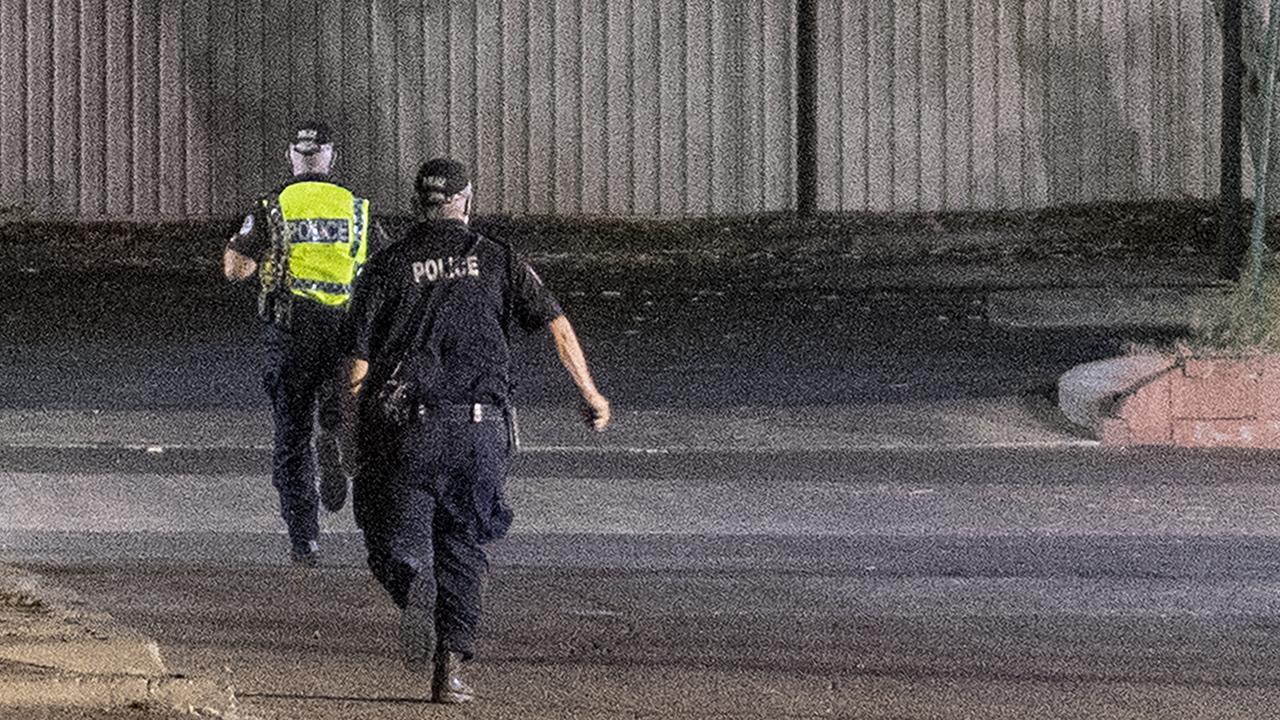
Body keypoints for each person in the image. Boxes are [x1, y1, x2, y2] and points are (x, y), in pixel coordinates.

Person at [342, 157, 610, 703]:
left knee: (384, 528)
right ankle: (451, 668)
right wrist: (590, 394)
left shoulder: (386, 265)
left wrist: (349, 432)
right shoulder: (497, 259)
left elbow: (357, 363)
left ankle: (410, 579)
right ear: (466, 202)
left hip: (406, 430)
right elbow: (558, 327)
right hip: (480, 433)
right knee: (464, 543)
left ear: (419, 204)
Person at [223, 121, 384, 567]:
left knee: (291, 435)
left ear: (293, 157)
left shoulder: (274, 205)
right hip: (345, 335)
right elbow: (382, 270)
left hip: (292, 333)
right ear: (331, 158)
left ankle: (305, 542)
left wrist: (267, 266)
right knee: (339, 411)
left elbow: (236, 269)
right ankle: (333, 440)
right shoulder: (355, 208)